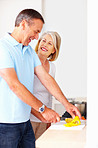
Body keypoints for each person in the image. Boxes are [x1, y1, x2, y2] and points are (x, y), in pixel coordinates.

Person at [0, 9, 81, 148]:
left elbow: (46, 78)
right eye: (36, 31)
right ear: (24, 24)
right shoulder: (3, 48)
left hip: (25, 123)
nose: (37, 37)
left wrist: (67, 105)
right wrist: (43, 109)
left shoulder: (29, 51)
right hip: (6, 125)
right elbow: (14, 85)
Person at [30, 31, 61, 140]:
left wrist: (49, 119)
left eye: (50, 43)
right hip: (30, 118)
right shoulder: (29, 62)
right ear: (38, 43)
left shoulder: (52, 67)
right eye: (43, 41)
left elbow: (50, 94)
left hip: (44, 119)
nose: (45, 45)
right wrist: (40, 115)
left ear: (53, 50)